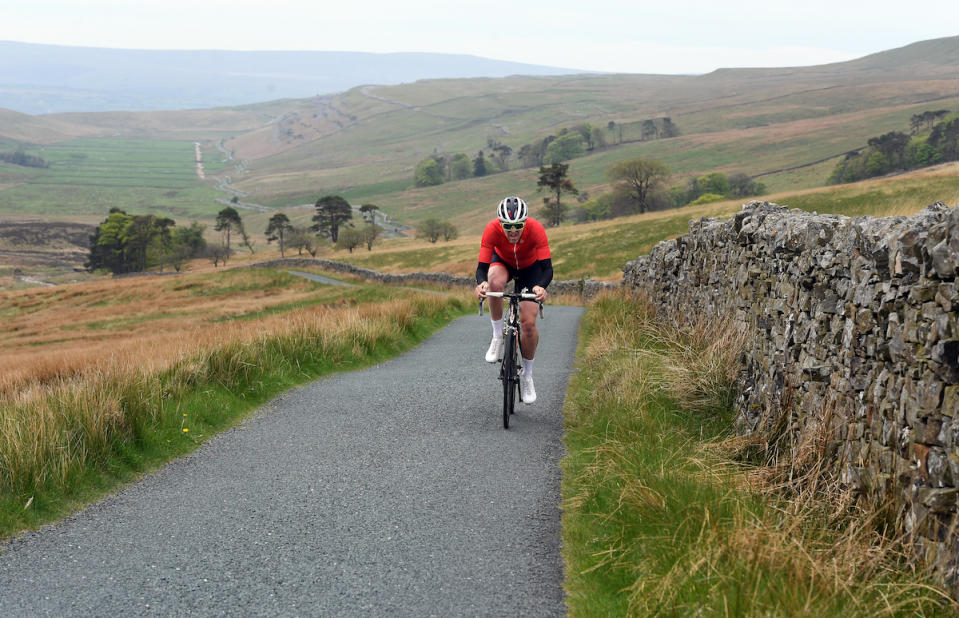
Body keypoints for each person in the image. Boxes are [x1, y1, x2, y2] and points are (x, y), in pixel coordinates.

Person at [475, 196, 552, 404]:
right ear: (500, 223)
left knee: (528, 323)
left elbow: (547, 268)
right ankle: (498, 336)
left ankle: (527, 375)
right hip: (503, 263)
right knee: (494, 282)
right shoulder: (491, 229)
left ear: (525, 222)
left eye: (518, 225)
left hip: (531, 270)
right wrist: (482, 284)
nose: (513, 231)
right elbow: (482, 268)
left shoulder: (536, 229)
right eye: (507, 226)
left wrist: (541, 287)